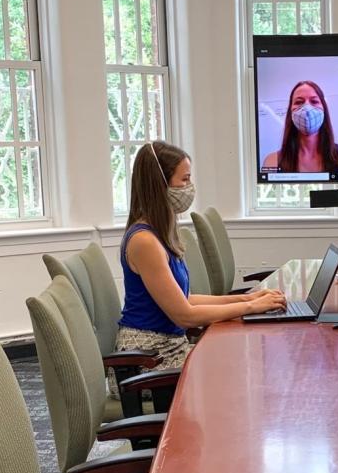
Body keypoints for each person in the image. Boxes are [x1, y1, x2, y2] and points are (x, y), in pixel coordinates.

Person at [118, 141, 286, 370]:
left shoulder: (160, 232)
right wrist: (251, 307)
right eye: (184, 179)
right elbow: (184, 316)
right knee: (242, 365)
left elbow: (186, 299)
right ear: (160, 185)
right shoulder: (144, 241)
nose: (190, 187)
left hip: (170, 347)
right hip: (148, 356)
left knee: (243, 358)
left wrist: (249, 298)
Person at [261, 80, 338, 174]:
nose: (307, 108)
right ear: (290, 112)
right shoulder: (272, 162)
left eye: (314, 101)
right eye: (299, 102)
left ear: (324, 109)